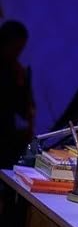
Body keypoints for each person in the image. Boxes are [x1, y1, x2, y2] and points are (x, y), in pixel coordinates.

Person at [0, 19, 35, 169]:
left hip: (8, 134)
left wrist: (22, 84)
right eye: (16, 48)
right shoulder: (8, 71)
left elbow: (24, 110)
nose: (18, 54)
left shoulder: (16, 70)